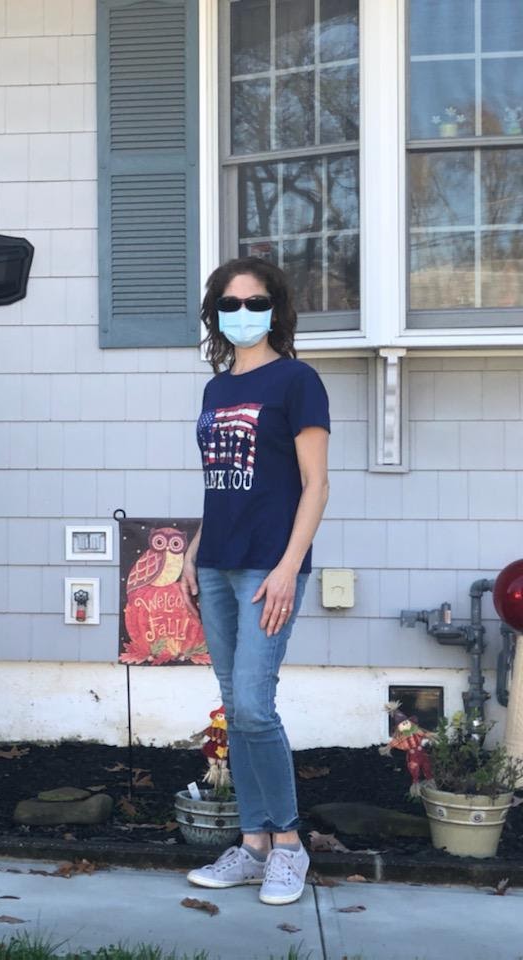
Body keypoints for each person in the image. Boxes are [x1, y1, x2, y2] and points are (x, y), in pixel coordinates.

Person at [182, 257, 330, 906]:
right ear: (215, 315)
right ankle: (252, 845)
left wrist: (289, 568)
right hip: (215, 563)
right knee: (234, 709)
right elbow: (219, 481)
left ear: (276, 307)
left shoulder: (298, 381)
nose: (244, 314)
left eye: (256, 301)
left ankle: (288, 846)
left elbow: (315, 485)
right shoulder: (215, 390)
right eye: (230, 304)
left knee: (252, 705)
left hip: (270, 567)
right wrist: (191, 550)